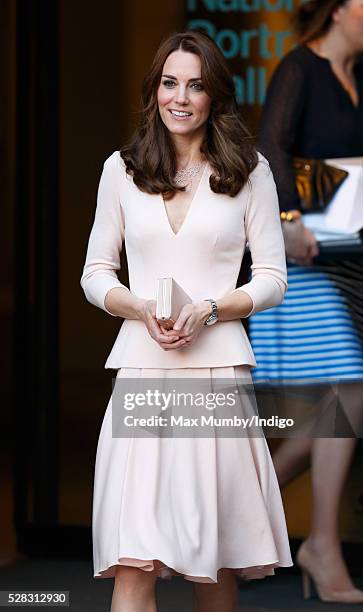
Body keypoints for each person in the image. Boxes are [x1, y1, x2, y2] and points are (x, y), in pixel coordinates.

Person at [80, 30, 293, 612]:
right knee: (132, 561)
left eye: (196, 86)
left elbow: (273, 278)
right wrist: (138, 306)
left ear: (214, 96)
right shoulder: (121, 170)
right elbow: (96, 273)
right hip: (141, 373)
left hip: (218, 376)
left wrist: (210, 308)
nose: (181, 97)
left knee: (213, 563)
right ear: (154, 93)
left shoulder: (250, 171)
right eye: (170, 83)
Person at [248, 0, 363, 604]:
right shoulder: (298, 68)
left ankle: (227, 508)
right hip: (309, 258)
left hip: (357, 257)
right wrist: (287, 223)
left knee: (341, 408)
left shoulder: (360, 76)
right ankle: (321, 545)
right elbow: (269, 152)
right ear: (340, 9)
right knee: (351, 389)